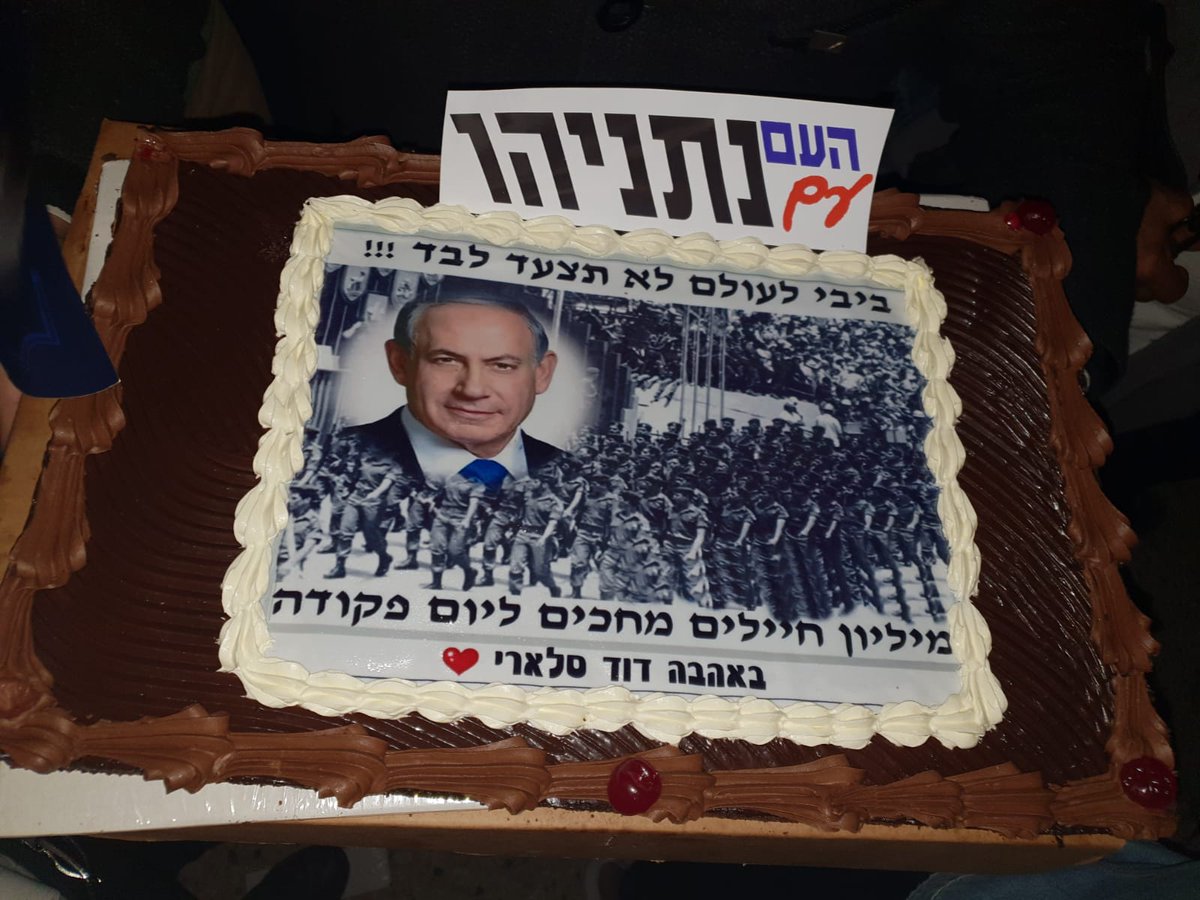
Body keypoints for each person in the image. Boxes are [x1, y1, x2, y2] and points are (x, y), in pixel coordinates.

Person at [349, 294, 564, 484]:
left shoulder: (572, 470)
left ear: (542, 374)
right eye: (446, 360)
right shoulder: (338, 454)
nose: (472, 390)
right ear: (400, 364)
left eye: (502, 366)